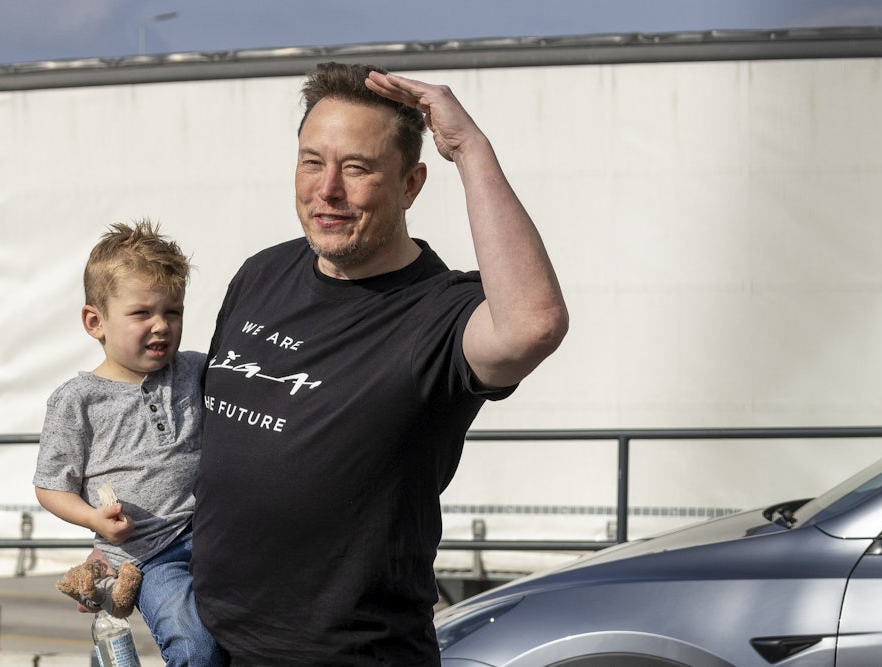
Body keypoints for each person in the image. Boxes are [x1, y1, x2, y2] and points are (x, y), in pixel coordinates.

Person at [192, 62, 569, 666]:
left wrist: (470, 149)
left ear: (412, 184)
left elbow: (532, 326)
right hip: (209, 644)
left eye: (357, 168)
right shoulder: (262, 274)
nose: (328, 190)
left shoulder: (440, 314)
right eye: (312, 162)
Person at [33, 220, 226, 667]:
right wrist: (94, 520)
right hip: (152, 556)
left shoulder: (196, 369)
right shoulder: (77, 401)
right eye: (142, 313)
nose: (161, 326)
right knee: (196, 647)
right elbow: (50, 486)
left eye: (172, 311)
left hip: (219, 533)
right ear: (94, 322)